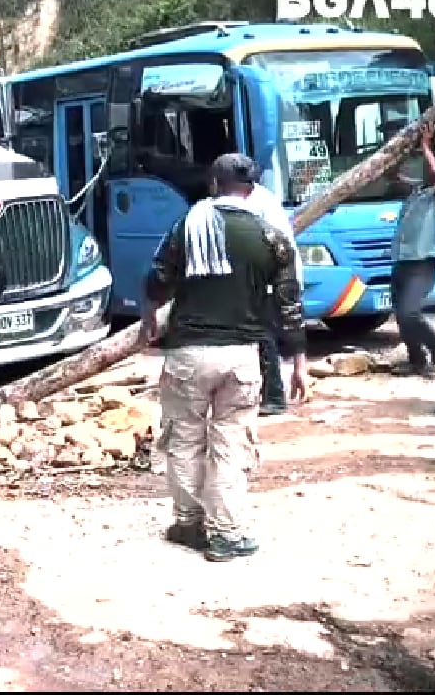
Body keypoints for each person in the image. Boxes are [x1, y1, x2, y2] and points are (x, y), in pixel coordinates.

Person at [142, 153, 309, 563]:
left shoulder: (189, 226)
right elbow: (289, 306)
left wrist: (149, 318)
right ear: (252, 189)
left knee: (184, 439)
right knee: (231, 443)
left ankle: (188, 522)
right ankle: (227, 534)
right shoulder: (270, 236)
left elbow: (157, 280)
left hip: (187, 353)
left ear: (213, 183)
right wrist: (299, 363)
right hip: (240, 358)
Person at [388, 126, 435, 377]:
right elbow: (391, 177)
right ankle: (416, 360)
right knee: (400, 314)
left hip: (422, 262)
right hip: (402, 261)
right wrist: (401, 150)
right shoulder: (418, 192)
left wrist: (426, 146)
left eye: (428, 163)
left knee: (410, 311)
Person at [246, 163, 303, 416]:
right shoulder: (260, 198)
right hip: (278, 273)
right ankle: (288, 381)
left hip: (278, 275)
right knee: (273, 332)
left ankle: (275, 397)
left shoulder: (256, 203)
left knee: (266, 335)